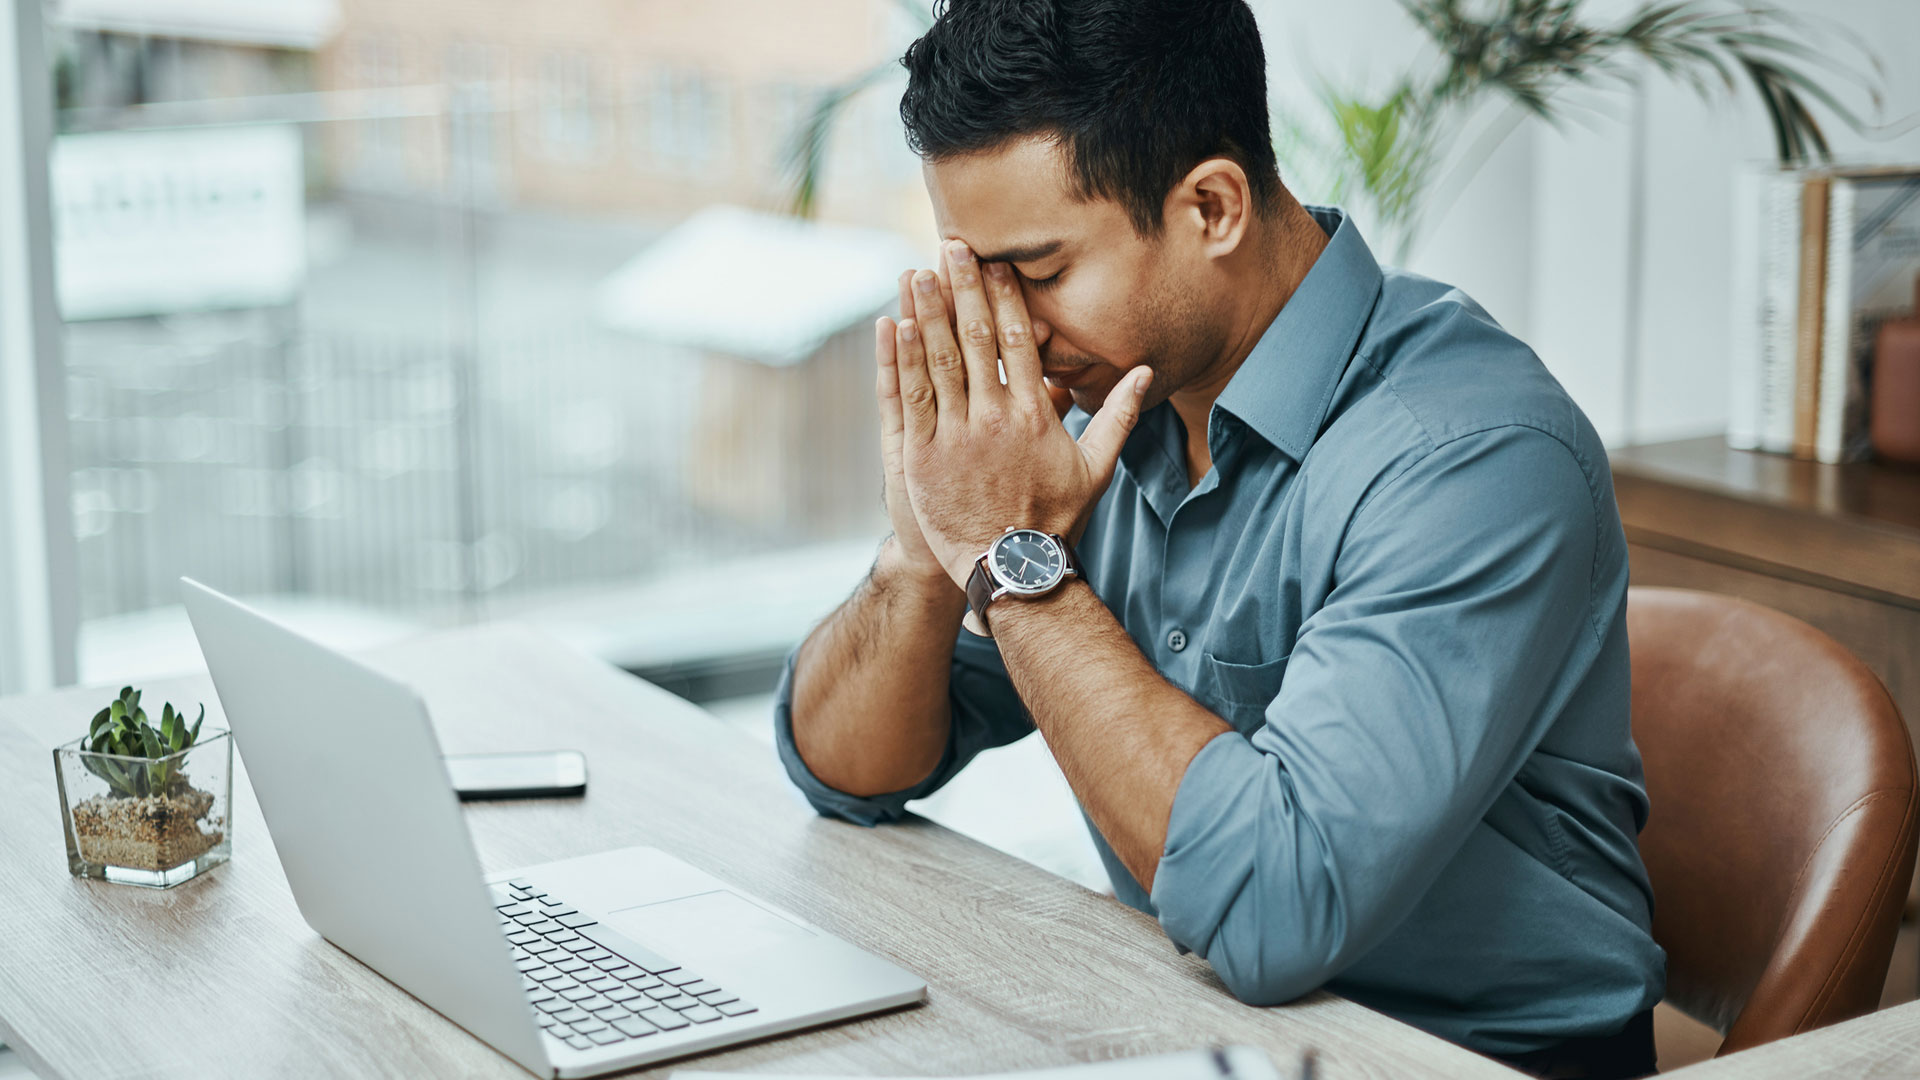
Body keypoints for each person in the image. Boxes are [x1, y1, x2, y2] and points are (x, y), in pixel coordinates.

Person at [773, 2, 1664, 1076]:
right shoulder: (1085, 408)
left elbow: (1274, 911)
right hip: (1192, 1024)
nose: (1008, 330)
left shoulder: (1474, 457)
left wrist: (1015, 561)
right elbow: (846, 769)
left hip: (1463, 1058)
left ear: (1212, 206)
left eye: (1041, 273)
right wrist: (931, 540)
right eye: (981, 278)